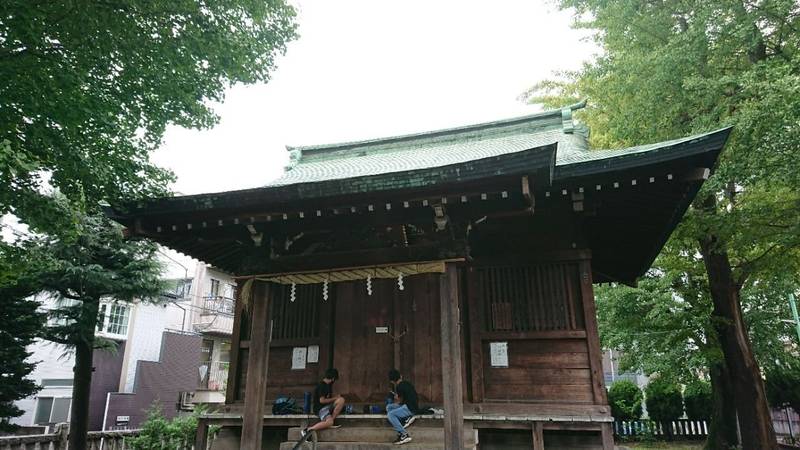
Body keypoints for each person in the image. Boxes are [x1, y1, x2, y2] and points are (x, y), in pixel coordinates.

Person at [301, 368, 345, 439]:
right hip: (320, 408)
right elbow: (322, 401)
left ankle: (331, 419)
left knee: (341, 400)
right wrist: (335, 398)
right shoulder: (321, 386)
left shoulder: (328, 386)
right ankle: (307, 430)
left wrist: (336, 398)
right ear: (333, 378)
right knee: (329, 422)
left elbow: (329, 398)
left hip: (327, 407)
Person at [386, 368, 419, 445]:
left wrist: (395, 397)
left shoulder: (399, 387)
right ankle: (405, 419)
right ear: (400, 376)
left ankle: (404, 434)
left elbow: (399, 402)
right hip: (411, 406)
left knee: (391, 414)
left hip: (409, 408)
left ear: (392, 381)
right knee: (389, 407)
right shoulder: (406, 383)